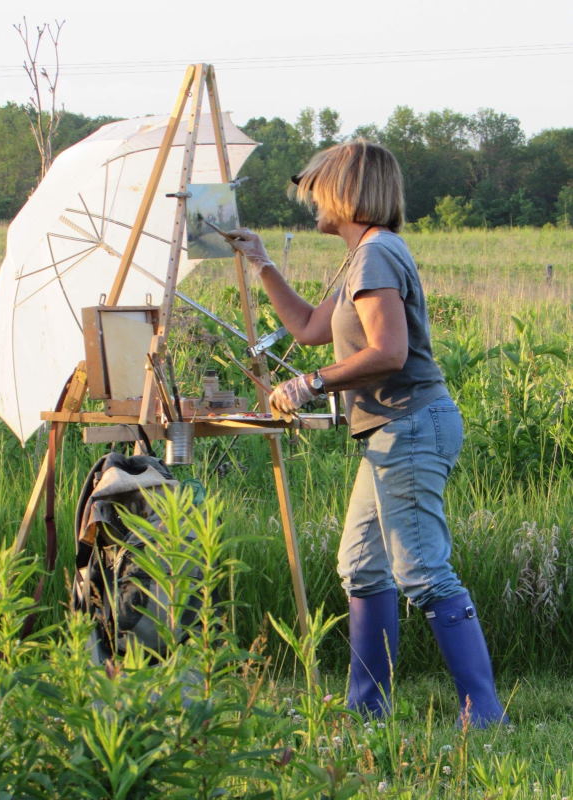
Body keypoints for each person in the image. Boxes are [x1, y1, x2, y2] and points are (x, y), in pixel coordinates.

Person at [229, 140, 508, 727]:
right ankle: (367, 709)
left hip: (408, 424)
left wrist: (312, 383)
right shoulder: (361, 256)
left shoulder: (376, 254)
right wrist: (260, 261)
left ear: (346, 192)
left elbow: (389, 351)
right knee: (362, 565)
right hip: (391, 429)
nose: (311, 203)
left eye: (317, 192)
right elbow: (308, 327)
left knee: (423, 570)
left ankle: (483, 713)